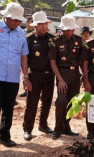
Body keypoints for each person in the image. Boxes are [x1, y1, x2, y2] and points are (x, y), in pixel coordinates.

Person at [0, 2, 31, 147]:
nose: (18, 22)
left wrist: (25, 76)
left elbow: (24, 56)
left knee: (8, 109)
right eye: (15, 19)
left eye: (19, 20)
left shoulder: (21, 33)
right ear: (6, 16)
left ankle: (4, 136)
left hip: (12, 78)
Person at [48, 15, 82, 140]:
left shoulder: (79, 40)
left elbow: (82, 60)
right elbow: (52, 62)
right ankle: (57, 129)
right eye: (67, 29)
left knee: (72, 102)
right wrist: (60, 80)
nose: (69, 32)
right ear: (62, 29)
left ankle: (66, 127)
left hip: (75, 75)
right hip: (62, 74)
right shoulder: (55, 42)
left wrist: (83, 75)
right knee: (61, 101)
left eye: (71, 29)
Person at [23, 11, 55, 141]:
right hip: (34, 75)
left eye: (45, 23)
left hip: (49, 76)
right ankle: (27, 129)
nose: (43, 26)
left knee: (47, 102)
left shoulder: (53, 39)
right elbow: (24, 59)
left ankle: (43, 125)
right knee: (31, 103)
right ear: (35, 25)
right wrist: (25, 77)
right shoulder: (29, 39)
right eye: (40, 24)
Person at [19, 16, 35, 98]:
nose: (32, 23)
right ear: (27, 23)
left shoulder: (36, 32)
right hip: (24, 55)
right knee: (24, 72)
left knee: (31, 73)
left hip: (32, 56)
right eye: (31, 21)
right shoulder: (22, 32)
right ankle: (25, 90)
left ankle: (33, 90)